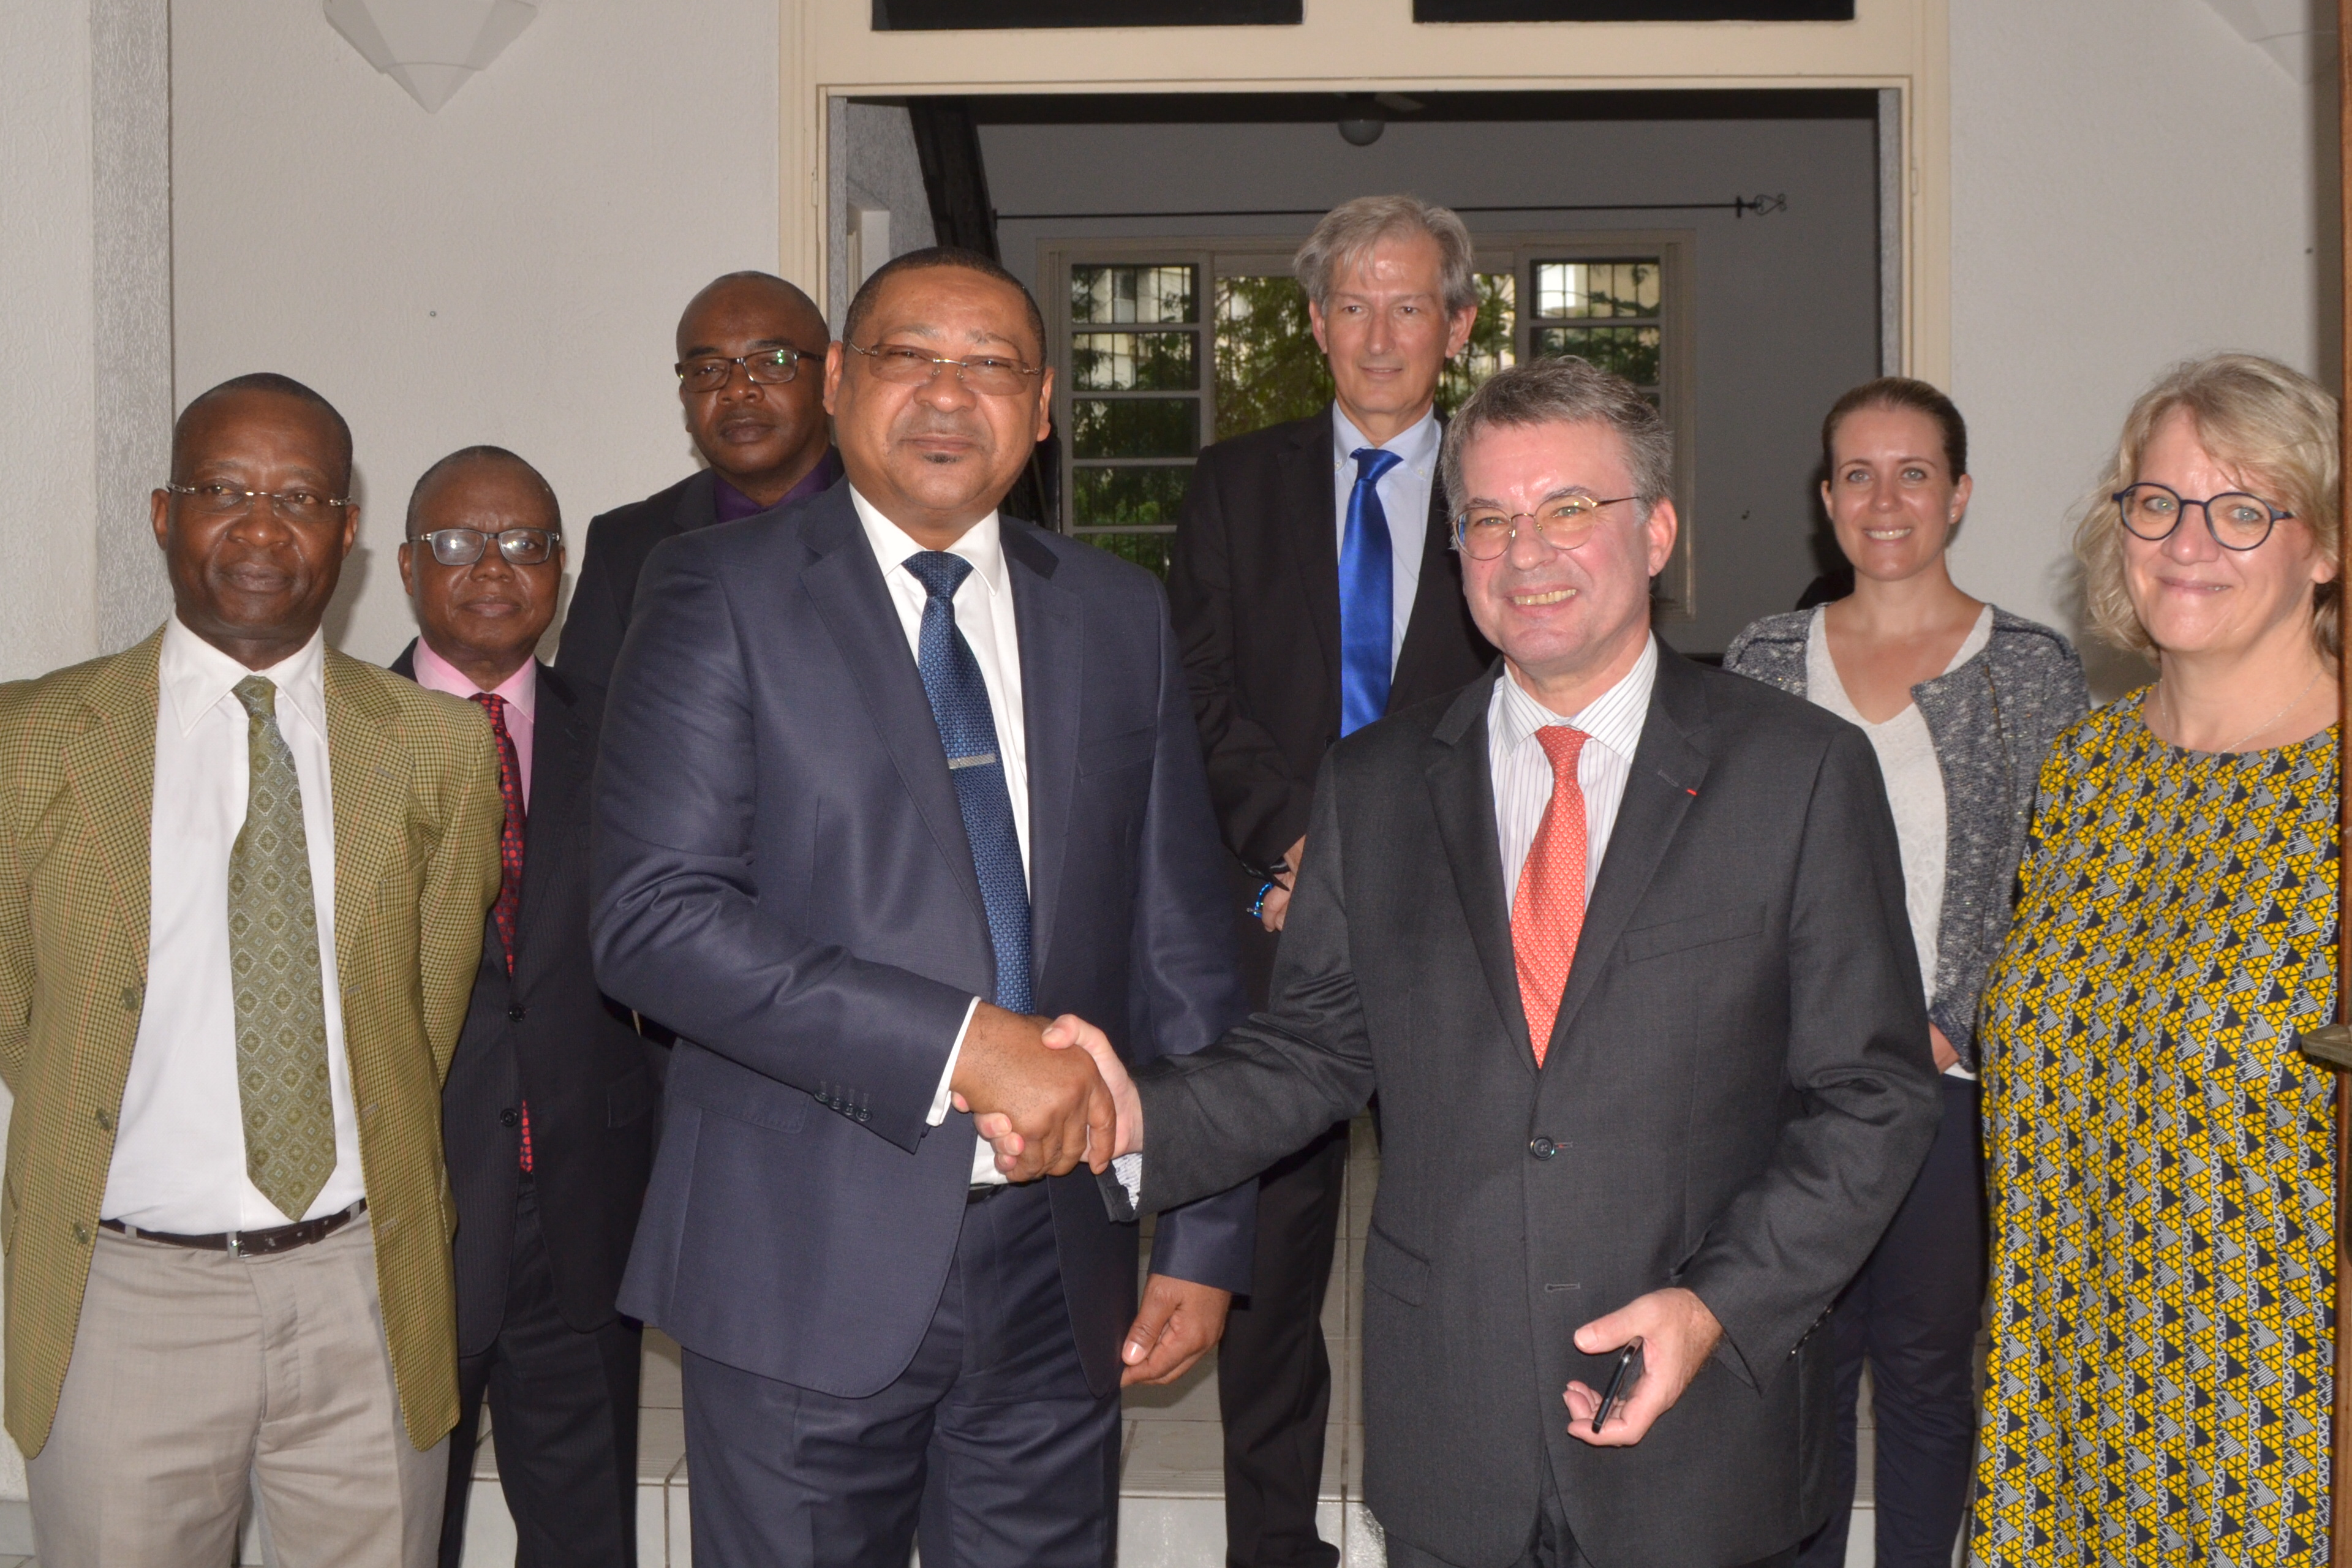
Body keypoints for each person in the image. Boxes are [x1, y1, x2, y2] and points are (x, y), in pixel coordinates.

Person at [1038, 355, 1944, 1568]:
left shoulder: (1800, 773)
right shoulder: (1373, 786)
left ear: (1657, 532)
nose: (1526, 552)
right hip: (1453, 1427)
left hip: (1705, 1432)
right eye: (1489, 519)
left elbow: (1873, 1095)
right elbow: (1311, 1052)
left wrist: (1718, 1303)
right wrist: (1133, 1109)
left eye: (1569, 507)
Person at [590, 246, 1256, 1568]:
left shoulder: (1117, 615)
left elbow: (1182, 943)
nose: (950, 394)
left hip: (1060, 1262)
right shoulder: (716, 590)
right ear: (842, 381)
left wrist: (1206, 1230)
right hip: (800, 1258)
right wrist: (964, 1044)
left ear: (1044, 407)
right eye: (909, 357)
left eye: (992, 365)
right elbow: (653, 917)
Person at [0, 374, 503, 1567]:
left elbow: (423, 1013)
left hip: (362, 1289)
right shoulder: (32, 739)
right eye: (225, 490)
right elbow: (19, 1008)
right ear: (165, 512)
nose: (263, 528)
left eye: (300, 497)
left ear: (348, 530)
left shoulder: (435, 747)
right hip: (125, 1297)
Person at [1164, 194, 1494, 1568]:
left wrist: (1383, 855)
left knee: (1463, 1257)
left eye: (1409, 305)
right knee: (1271, 1264)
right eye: (1352, 305)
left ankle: (1460, 1525)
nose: (1379, 334)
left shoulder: (1507, 482)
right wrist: (1302, 841)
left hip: (1464, 927)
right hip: (1276, 916)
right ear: (1313, 323)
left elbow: (1533, 688)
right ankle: (1272, 1545)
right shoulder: (1233, 485)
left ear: (1458, 326)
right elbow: (1196, 690)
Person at [1971, 353, 2343, 1566]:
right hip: (2057, 1407)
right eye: (2159, 501)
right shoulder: (2085, 773)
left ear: (2326, 547)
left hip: (2270, 1437)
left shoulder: (2341, 790)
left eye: (2244, 510)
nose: (2189, 542)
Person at [1721, 378, 2087, 1568]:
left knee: (1927, 1372)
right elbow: (1724, 877)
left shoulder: (2031, 672)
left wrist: (1950, 1021)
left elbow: (2063, 888)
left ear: (1959, 494)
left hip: (1948, 1091)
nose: (1886, 500)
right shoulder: (1761, 660)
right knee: (1800, 1367)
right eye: (1859, 475)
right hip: (1788, 1094)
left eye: (1914, 472)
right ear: (1827, 499)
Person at [390, 448, 657, 1568]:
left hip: (585, 1216)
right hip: (408, 1215)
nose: (493, 568)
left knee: (585, 1539)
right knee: (400, 1538)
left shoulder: (635, 733)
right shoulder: (334, 739)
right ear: (405, 566)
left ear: (561, 571)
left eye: (526, 544)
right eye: (458, 543)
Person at [557, 270, 842, 712]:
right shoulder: (626, 547)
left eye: (772, 362)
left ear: (831, 380)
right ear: (685, 402)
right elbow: (589, 730)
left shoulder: (899, 519)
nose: (738, 390)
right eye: (708, 370)